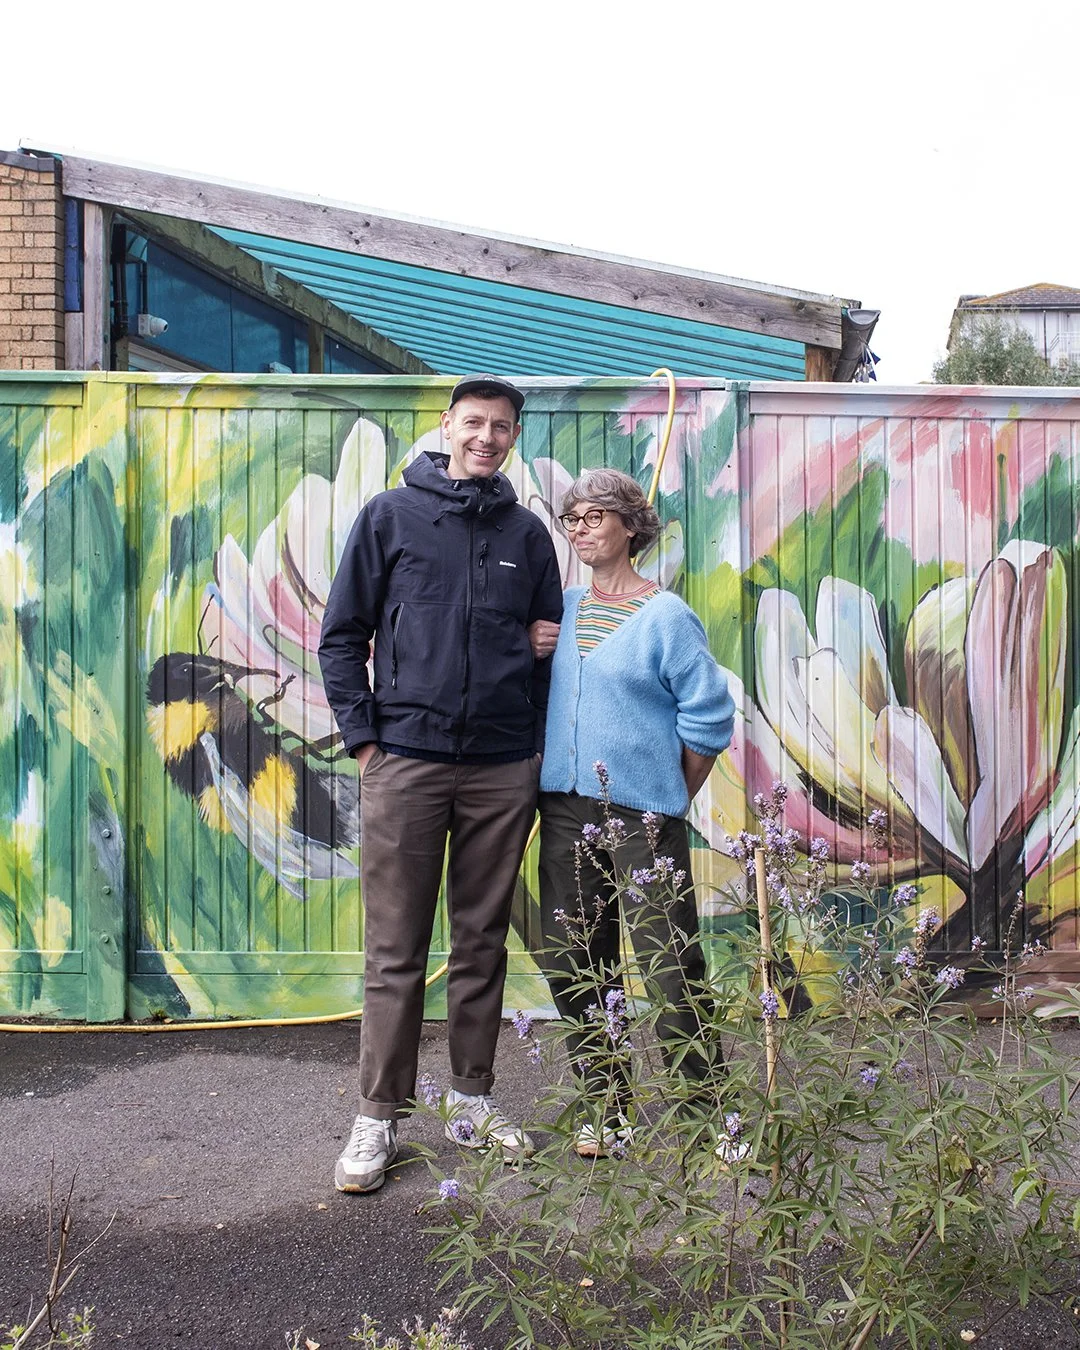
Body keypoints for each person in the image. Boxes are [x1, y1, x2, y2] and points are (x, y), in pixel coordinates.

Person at [318, 374, 563, 1193]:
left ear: (513, 437)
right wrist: (365, 742)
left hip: (501, 767)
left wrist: (530, 748)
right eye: (474, 423)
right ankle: (377, 1117)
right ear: (447, 427)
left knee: (482, 941)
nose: (487, 437)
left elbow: (548, 650)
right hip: (406, 761)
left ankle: (472, 1099)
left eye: (502, 427)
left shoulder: (528, 535)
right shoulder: (390, 517)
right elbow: (341, 636)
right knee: (395, 951)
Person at [532, 467, 737, 1158]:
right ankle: (607, 1109)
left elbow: (709, 718)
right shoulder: (562, 610)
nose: (580, 529)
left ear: (630, 525)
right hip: (565, 809)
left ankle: (708, 1115)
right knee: (577, 961)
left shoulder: (666, 616)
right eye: (573, 519)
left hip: (643, 818)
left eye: (595, 516)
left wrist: (667, 796)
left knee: (669, 965)